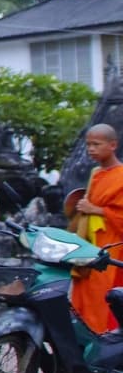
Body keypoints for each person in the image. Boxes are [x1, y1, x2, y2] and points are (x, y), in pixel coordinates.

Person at [73, 124, 123, 333]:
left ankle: (104, 341)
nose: (91, 149)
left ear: (113, 145)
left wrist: (95, 209)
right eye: (88, 145)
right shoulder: (95, 173)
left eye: (96, 144)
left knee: (105, 296)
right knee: (84, 293)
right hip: (90, 245)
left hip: (113, 245)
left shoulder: (121, 175)